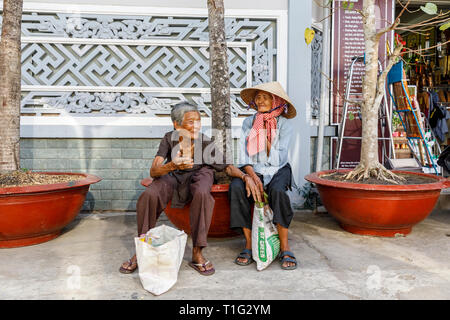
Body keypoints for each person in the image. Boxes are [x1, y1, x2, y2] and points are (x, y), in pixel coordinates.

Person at [119, 101, 244, 276]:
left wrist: (246, 177)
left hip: (201, 174)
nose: (196, 126)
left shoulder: (205, 142)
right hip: (175, 175)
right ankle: (142, 250)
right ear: (176, 124)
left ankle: (197, 252)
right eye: (191, 122)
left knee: (202, 194)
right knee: (150, 194)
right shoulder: (169, 138)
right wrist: (172, 165)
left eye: (198, 121)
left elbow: (228, 167)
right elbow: (154, 171)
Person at [228, 81, 298, 270]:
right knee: (236, 187)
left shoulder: (285, 124)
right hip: (254, 169)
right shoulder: (248, 122)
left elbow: (278, 158)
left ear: (276, 100)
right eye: (258, 97)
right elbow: (244, 155)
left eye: (266, 97)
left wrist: (265, 137)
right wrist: (251, 176)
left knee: (277, 191)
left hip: (278, 169)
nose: (260, 100)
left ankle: (285, 246)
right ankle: (249, 244)